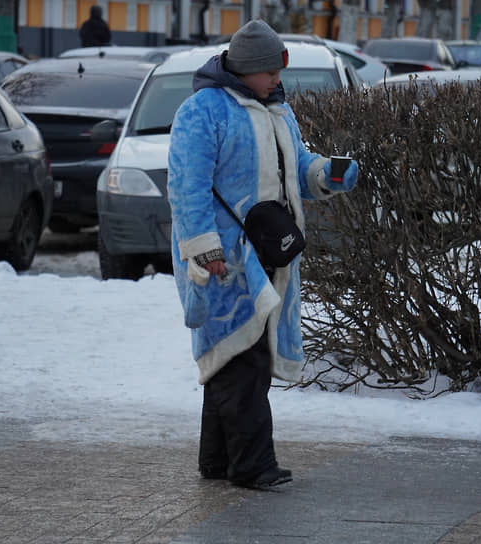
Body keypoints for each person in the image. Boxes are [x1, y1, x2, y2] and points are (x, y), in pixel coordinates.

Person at [167, 19, 358, 490]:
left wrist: (326, 175)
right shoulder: (203, 112)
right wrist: (204, 247)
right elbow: (185, 187)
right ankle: (252, 465)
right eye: (270, 69)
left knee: (232, 358)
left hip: (268, 255)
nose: (278, 77)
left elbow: (296, 165)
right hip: (226, 259)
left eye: (279, 67)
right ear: (246, 69)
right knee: (242, 358)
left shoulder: (278, 111)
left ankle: (218, 461)